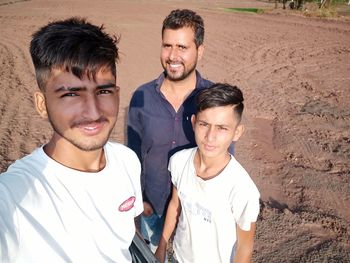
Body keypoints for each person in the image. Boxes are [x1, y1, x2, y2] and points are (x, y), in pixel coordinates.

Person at [0, 17, 143, 262]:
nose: (93, 111)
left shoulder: (127, 161)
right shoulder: (13, 194)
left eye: (104, 91)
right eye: (71, 94)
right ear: (42, 104)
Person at [127, 9, 213, 252]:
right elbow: (132, 154)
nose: (173, 56)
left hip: (194, 215)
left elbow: (225, 159)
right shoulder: (142, 97)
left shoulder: (213, 100)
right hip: (151, 209)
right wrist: (139, 200)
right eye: (167, 46)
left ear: (200, 50)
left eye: (182, 47)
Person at [155, 83, 260, 263]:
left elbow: (245, 247)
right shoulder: (179, 161)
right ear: (194, 122)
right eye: (204, 124)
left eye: (222, 128)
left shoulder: (242, 188)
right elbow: (175, 204)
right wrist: (162, 246)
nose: (210, 136)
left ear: (237, 132)